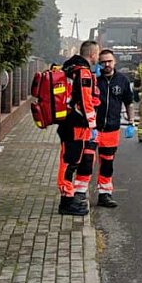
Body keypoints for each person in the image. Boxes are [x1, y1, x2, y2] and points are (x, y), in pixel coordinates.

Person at [78, 49, 134, 208]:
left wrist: (131, 123)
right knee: (87, 161)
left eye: (109, 61)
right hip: (92, 128)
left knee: (107, 163)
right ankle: (80, 193)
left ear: (114, 62)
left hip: (111, 129)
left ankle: (105, 194)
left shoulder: (122, 80)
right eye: (103, 62)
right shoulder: (93, 79)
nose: (106, 64)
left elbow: (129, 103)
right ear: (99, 63)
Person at [56, 40, 100, 216]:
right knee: (70, 161)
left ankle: (68, 197)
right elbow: (85, 100)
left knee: (71, 160)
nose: (97, 57)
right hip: (76, 123)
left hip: (69, 121)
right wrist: (92, 124)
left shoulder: (69, 68)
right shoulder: (83, 72)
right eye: (97, 54)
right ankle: (66, 201)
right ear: (92, 54)